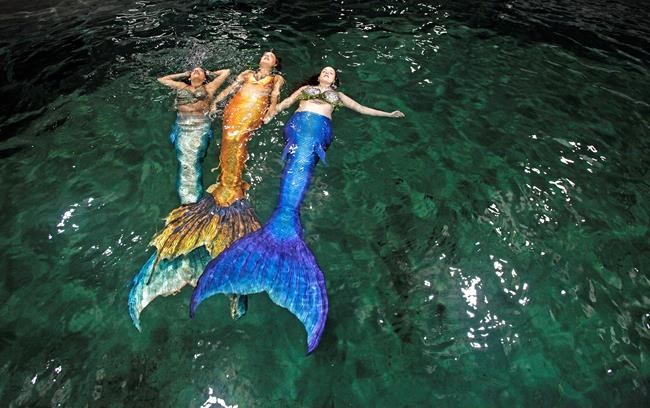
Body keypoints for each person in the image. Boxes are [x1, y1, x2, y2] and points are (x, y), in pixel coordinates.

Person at [190, 66, 404, 353]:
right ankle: (283, 226)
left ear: (334, 81)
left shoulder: (337, 97)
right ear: (318, 77)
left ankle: (281, 226)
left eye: (331, 73)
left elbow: (362, 108)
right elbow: (285, 103)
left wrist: (388, 114)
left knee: (302, 158)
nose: (326, 74)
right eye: (324, 71)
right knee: (299, 157)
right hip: (298, 128)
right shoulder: (305, 90)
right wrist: (269, 114)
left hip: (315, 131)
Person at [128, 52, 284, 329]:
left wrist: (271, 110)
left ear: (275, 65)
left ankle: (199, 243)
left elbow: (268, 96)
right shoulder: (243, 75)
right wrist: (215, 102)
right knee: (213, 154)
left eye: (270, 56)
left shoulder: (272, 79)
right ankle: (204, 246)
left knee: (220, 155)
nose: (266, 56)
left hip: (234, 119)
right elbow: (228, 88)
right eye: (264, 54)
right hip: (221, 116)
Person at [157, 67, 230, 204]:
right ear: (189, 77)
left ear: (204, 78)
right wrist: (183, 74)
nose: (196, 71)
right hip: (181, 125)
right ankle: (191, 200)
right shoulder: (181, 86)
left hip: (198, 126)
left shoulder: (209, 87)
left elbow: (226, 72)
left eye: (200, 71)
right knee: (184, 160)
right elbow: (162, 80)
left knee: (190, 161)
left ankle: (190, 201)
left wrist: (210, 73)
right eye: (193, 71)